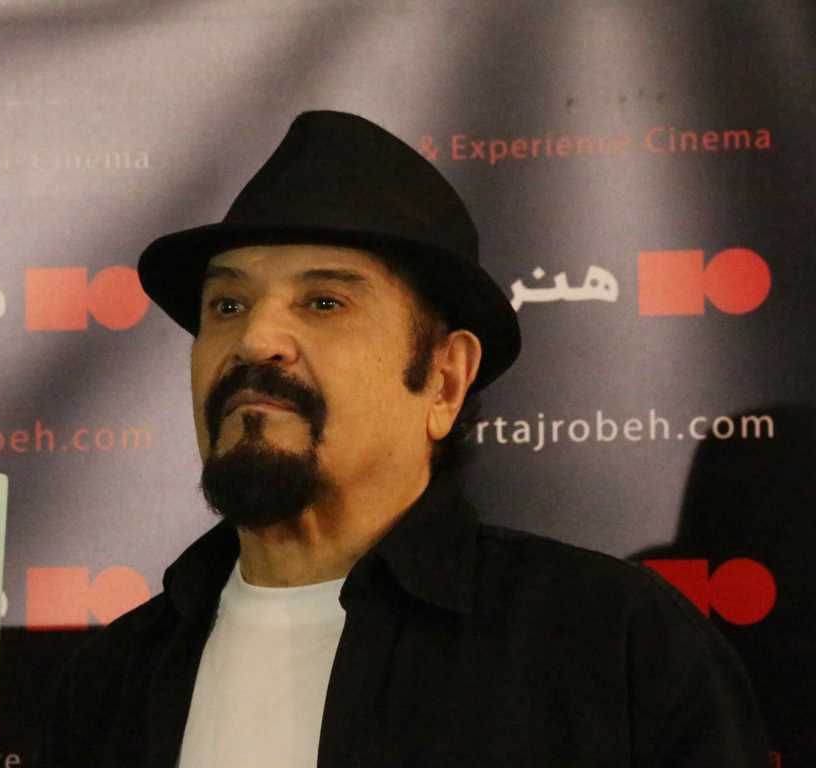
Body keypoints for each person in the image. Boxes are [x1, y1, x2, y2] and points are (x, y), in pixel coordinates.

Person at [44, 111, 767, 766]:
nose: (256, 340)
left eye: (324, 302)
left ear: (445, 381)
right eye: (227, 305)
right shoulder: (110, 681)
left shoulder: (613, 647)